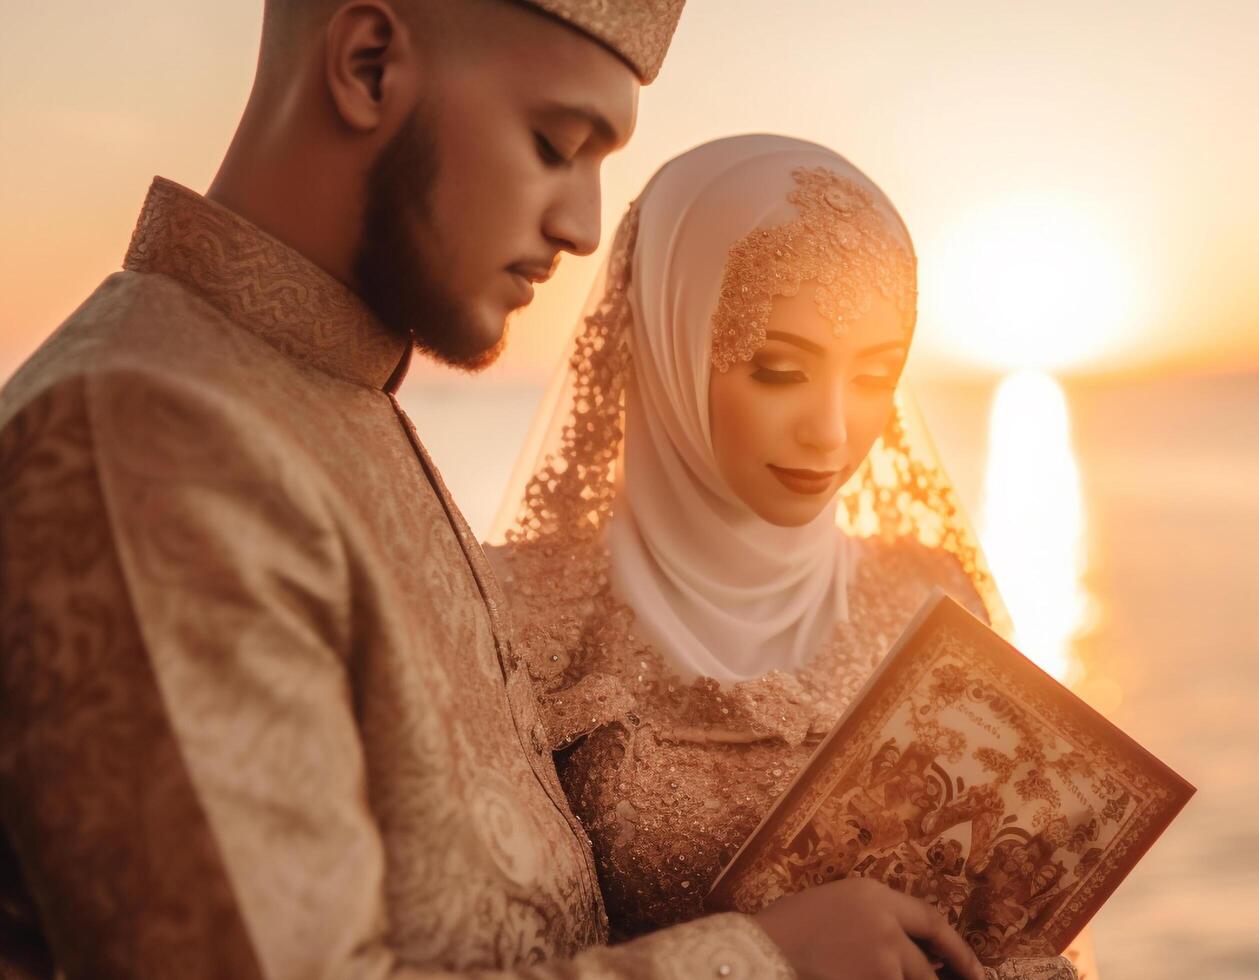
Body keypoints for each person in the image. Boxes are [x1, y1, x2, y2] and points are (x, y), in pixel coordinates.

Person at [0, 5, 982, 979]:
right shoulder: (148, 431)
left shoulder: (324, 400)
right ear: (370, 65)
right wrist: (762, 958)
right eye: (555, 143)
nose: (586, 226)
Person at [490, 135, 1081, 978]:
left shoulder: (927, 592)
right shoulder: (521, 614)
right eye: (777, 370)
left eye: (876, 376)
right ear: (669, 338)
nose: (832, 432)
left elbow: (1017, 925)